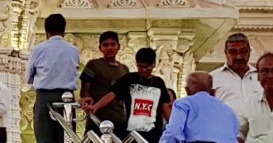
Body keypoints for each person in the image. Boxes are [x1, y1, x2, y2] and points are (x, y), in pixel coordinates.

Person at [84, 48, 171, 143]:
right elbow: (112, 94)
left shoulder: (159, 82)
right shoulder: (129, 79)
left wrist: (173, 126)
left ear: (153, 65)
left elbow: (165, 107)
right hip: (132, 134)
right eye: (140, 66)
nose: (144, 70)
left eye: (147, 67)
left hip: (154, 134)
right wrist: (95, 107)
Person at [26, 14, 79, 143]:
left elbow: (28, 77)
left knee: (45, 138)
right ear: (64, 31)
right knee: (66, 138)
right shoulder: (73, 50)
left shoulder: (38, 49)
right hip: (67, 98)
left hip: (45, 97)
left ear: (46, 32)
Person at [160, 72, 239, 143]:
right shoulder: (228, 110)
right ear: (213, 92)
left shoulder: (183, 104)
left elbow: (173, 133)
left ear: (187, 91)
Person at [79, 31, 128, 139]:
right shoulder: (93, 65)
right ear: (100, 48)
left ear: (118, 46)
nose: (109, 47)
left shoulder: (124, 69)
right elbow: (84, 90)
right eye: (105, 45)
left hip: (119, 120)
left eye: (113, 44)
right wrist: (87, 101)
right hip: (96, 119)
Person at [210, 32, 261, 116]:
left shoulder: (261, 77)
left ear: (249, 52)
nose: (239, 56)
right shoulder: (212, 78)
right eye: (233, 52)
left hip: (258, 128)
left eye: (243, 51)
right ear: (226, 53)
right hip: (226, 128)